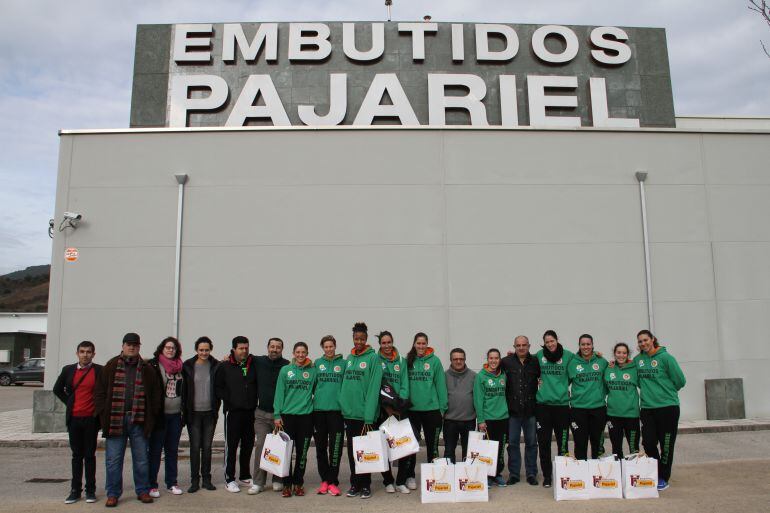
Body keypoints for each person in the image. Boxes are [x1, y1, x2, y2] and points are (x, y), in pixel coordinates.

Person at [94, 332, 161, 507]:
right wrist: (102, 415)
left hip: (138, 419)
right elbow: (100, 393)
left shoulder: (147, 368)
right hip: (116, 419)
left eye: (135, 345)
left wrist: (152, 416)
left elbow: (155, 395)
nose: (131, 347)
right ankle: (113, 493)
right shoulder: (110, 366)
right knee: (114, 459)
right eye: (128, 344)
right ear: (122, 346)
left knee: (141, 459)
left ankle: (143, 490)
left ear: (139, 347)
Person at [635, 329, 686, 491]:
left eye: (645, 340)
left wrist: (666, 392)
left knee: (666, 444)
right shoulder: (638, 360)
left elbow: (680, 381)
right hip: (647, 408)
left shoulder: (666, 358)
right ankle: (657, 471)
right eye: (640, 341)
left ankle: (663, 477)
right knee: (648, 442)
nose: (643, 343)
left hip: (668, 408)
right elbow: (629, 372)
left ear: (652, 339)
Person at [53, 341, 103, 505]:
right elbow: (57, 389)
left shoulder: (99, 371)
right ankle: (75, 490)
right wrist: (70, 402)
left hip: (91, 419)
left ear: (93, 354)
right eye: (82, 351)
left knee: (90, 455)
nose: (85, 354)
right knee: (76, 456)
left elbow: (104, 391)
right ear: (77, 354)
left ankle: (90, 491)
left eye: (89, 352)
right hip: (74, 419)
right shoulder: (68, 370)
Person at [339, 322, 383, 499]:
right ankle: (354, 484)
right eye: (356, 338)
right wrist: (343, 405)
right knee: (351, 452)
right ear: (353, 338)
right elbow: (344, 385)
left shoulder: (373, 359)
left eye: (362, 339)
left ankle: (366, 485)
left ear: (366, 340)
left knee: (365, 452)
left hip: (365, 416)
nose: (359, 341)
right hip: (350, 414)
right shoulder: (349, 359)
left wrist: (369, 416)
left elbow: (374, 389)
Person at [402, 332, 447, 490]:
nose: (421, 346)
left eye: (423, 343)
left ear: (427, 344)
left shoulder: (435, 361)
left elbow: (441, 385)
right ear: (414, 344)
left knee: (432, 445)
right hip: (412, 410)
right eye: (418, 343)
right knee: (411, 446)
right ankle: (410, 476)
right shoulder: (407, 361)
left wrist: (443, 408)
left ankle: (433, 476)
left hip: (432, 409)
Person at [215, 335, 258, 493]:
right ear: (234, 349)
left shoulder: (253, 363)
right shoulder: (225, 366)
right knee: (231, 446)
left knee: (247, 445)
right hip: (232, 413)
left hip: (250, 412)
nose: (244, 351)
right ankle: (229, 478)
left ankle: (245, 475)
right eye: (241, 348)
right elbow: (218, 387)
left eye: (246, 347)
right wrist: (230, 399)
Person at [273, 341, 317, 497]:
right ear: (293, 353)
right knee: (286, 453)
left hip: (306, 417)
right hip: (287, 418)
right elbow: (279, 393)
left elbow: (319, 389)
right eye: (298, 352)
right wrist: (277, 414)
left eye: (303, 352)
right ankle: (286, 484)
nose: (300, 355)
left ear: (307, 353)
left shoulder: (313, 371)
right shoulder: (285, 370)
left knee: (302, 453)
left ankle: (298, 483)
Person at [249, 338, 290, 494]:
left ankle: (278, 479)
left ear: (282, 349)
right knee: (261, 446)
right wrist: (227, 357)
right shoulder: (258, 361)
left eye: (278, 347)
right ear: (267, 348)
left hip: (280, 414)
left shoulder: (287, 365)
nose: (274, 349)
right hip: (261, 414)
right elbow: (240, 358)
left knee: (279, 447)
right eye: (272, 346)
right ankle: (258, 482)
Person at [181, 336, 221, 493]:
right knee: (195, 447)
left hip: (210, 413)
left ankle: (207, 479)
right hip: (194, 414)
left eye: (207, 350)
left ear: (210, 349)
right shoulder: (188, 366)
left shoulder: (216, 365)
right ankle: (194, 481)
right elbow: (183, 390)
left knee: (207, 447)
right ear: (196, 350)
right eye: (201, 350)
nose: (204, 352)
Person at [147, 337, 185, 497]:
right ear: (162, 348)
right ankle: (152, 484)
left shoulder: (181, 367)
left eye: (173, 348)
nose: (170, 350)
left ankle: (172, 483)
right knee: (155, 451)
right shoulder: (154, 365)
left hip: (176, 415)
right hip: (160, 416)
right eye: (168, 347)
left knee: (172, 451)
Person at [535, 330, 572, 488]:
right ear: (544, 343)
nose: (550, 344)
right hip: (543, 407)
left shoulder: (568, 356)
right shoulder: (538, 355)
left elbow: (583, 361)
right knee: (544, 443)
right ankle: (547, 476)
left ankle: (562, 474)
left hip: (562, 406)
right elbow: (524, 361)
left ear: (557, 340)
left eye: (552, 341)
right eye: (547, 342)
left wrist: (597, 355)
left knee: (562, 443)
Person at [500, 335, 539, 486]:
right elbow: (492, 371)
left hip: (531, 411)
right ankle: (514, 474)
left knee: (531, 443)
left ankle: (531, 473)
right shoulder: (506, 362)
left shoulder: (536, 362)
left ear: (529, 346)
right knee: (513, 444)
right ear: (514, 346)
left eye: (524, 345)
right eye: (518, 345)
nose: (521, 347)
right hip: (512, 412)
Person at [375, 330, 410, 494]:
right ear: (380, 344)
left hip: (399, 410)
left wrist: (398, 406)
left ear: (393, 342)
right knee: (384, 447)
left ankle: (401, 481)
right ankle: (387, 480)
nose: (387, 346)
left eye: (389, 342)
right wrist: (386, 406)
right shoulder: (375, 360)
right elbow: (376, 386)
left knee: (403, 446)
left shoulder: (401, 361)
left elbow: (404, 384)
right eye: (384, 343)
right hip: (382, 410)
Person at [312, 335, 345, 497]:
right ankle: (324, 480)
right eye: (326, 347)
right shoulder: (317, 364)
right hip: (318, 412)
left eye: (331, 346)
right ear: (322, 348)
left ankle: (333, 481)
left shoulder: (343, 364)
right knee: (320, 447)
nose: (329, 349)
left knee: (336, 448)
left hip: (337, 412)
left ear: (335, 346)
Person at [567, 334, 608, 460]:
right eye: (583, 344)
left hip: (598, 408)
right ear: (579, 346)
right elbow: (562, 382)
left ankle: (596, 473)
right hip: (578, 409)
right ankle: (582, 473)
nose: (586, 347)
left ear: (592, 345)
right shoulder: (572, 363)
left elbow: (611, 376)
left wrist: (601, 394)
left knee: (597, 444)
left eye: (588, 344)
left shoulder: (602, 362)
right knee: (580, 443)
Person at [473, 348, 509, 487]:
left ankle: (497, 474)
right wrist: (481, 420)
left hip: (503, 418)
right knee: (486, 450)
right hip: (487, 419)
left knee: (499, 449)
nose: (493, 361)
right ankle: (486, 476)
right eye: (491, 358)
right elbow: (478, 400)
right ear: (487, 359)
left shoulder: (503, 375)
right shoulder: (481, 376)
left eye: (496, 358)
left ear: (500, 360)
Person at [604, 342, 640, 459]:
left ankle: (633, 474)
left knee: (634, 448)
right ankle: (619, 473)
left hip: (631, 415)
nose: (621, 355)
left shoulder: (635, 368)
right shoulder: (608, 368)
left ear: (628, 354)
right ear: (614, 354)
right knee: (616, 448)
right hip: (613, 415)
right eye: (618, 352)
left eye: (624, 353)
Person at [443, 348, 476, 463]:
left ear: (465, 359)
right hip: (450, 421)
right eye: (455, 359)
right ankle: (448, 477)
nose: (458, 361)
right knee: (448, 451)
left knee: (468, 453)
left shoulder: (473, 376)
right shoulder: (443, 376)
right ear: (451, 360)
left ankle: (467, 478)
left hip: (469, 420)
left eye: (461, 359)